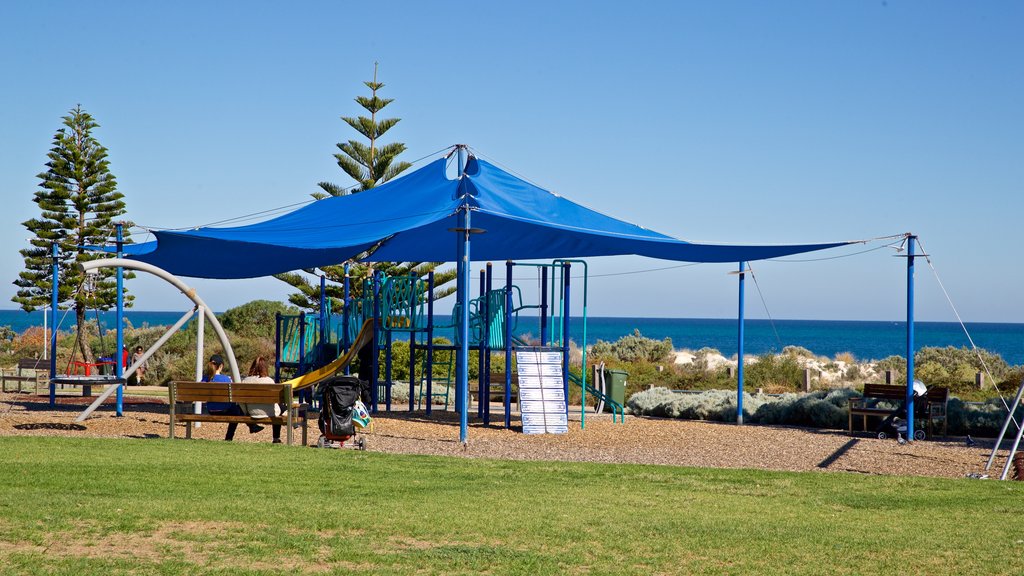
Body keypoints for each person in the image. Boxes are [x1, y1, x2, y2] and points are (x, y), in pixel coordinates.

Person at [202, 353, 263, 441]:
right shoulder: (226, 379)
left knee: (236, 411)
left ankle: (251, 427)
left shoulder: (204, 379)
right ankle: (235, 434)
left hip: (211, 410)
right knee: (237, 411)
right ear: (221, 366)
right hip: (225, 410)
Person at [241, 356, 282, 444]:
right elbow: (275, 401)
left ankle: (229, 436)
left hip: (252, 412)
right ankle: (276, 438)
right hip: (269, 413)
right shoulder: (269, 381)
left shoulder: (245, 381)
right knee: (281, 408)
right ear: (265, 368)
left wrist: (246, 412)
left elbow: (241, 402)